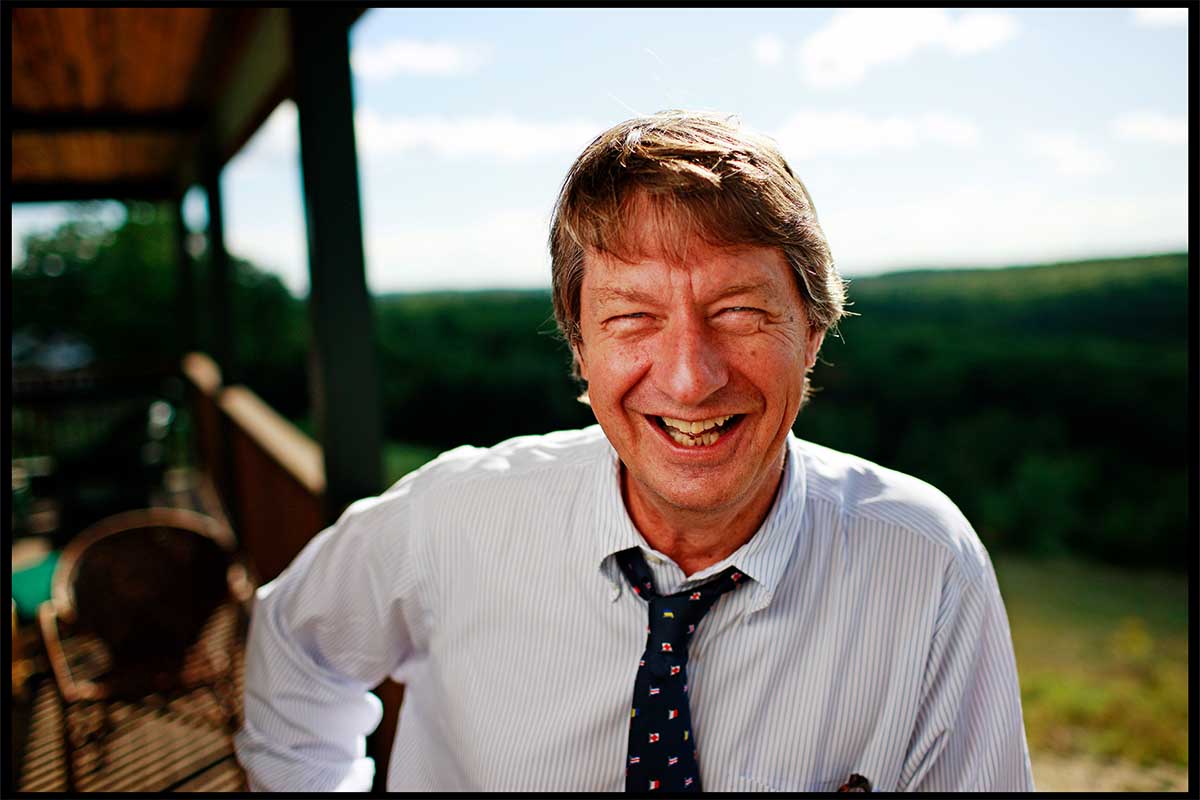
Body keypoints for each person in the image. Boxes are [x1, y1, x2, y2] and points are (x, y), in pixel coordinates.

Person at [234, 110, 1035, 792]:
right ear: (579, 346)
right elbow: (295, 643)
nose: (689, 379)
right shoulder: (455, 517)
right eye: (632, 318)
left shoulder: (924, 565)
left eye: (739, 312)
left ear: (813, 334)